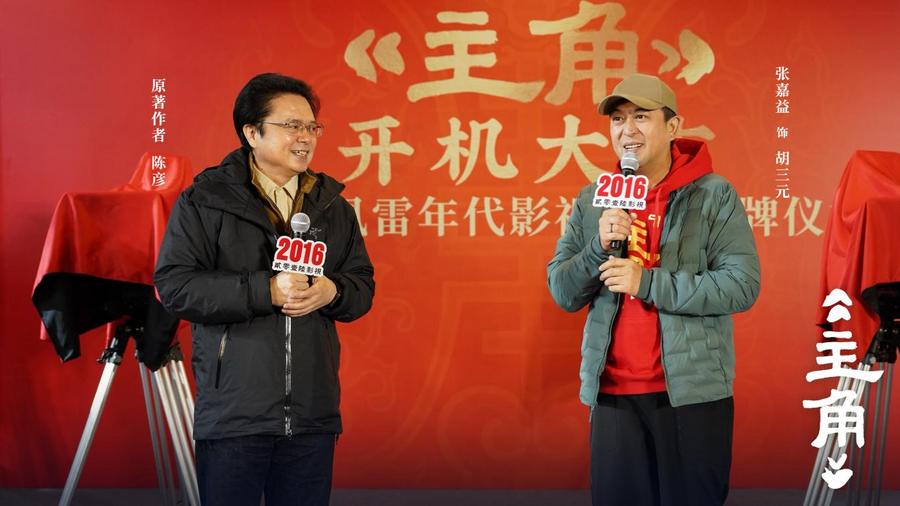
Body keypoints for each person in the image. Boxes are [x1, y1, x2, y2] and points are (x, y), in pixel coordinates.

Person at [155, 73, 374, 506]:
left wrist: (331, 291)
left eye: (311, 127)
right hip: (235, 414)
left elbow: (362, 287)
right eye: (291, 126)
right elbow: (176, 286)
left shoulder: (332, 206)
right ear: (252, 133)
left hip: (312, 414)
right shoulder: (205, 200)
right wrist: (265, 291)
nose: (305, 137)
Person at [547, 73, 760, 506]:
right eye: (618, 119)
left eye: (641, 117)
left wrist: (646, 282)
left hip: (690, 394)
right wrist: (597, 247)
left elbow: (741, 285)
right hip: (612, 395)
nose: (627, 130)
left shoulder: (713, 194)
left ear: (673, 126)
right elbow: (563, 291)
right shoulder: (593, 200)